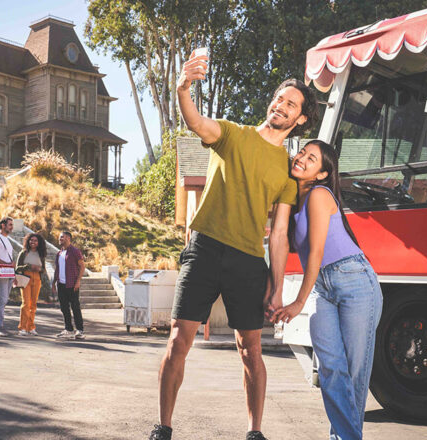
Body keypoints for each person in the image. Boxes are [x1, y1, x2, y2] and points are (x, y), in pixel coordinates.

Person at [148, 52, 318, 440]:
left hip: (246, 261)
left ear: (301, 119)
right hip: (204, 249)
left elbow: (278, 235)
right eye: (279, 99)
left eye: (291, 104)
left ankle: (254, 432)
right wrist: (182, 87)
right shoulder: (232, 134)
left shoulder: (287, 172)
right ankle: (163, 428)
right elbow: (195, 121)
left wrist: (276, 286)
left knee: (250, 351)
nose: (281, 106)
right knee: (178, 341)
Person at [271, 140, 383, 440]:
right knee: (332, 368)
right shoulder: (292, 198)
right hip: (323, 287)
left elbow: (317, 253)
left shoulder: (320, 194)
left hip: (355, 281)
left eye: (312, 158)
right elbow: (278, 238)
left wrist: (297, 302)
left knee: (355, 373)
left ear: (322, 174)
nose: (302, 159)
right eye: (302, 153)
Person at [52, 231, 85, 340]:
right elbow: (57, 270)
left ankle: (80, 331)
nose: (60, 239)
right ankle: (69, 330)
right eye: (59, 237)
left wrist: (78, 281)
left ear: (68, 239)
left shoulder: (75, 251)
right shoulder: (59, 253)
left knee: (75, 307)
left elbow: (82, 267)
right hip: (61, 285)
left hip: (72, 284)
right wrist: (53, 283)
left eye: (62, 237)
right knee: (64, 308)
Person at [15, 233, 47, 336]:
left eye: (35, 241)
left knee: (33, 304)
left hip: (37, 278)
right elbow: (17, 268)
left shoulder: (41, 254)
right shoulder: (23, 253)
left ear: (39, 243)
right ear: (28, 241)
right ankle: (22, 328)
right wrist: (28, 267)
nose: (33, 242)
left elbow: (44, 270)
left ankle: (31, 327)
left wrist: (39, 269)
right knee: (26, 303)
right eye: (31, 240)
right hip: (25, 278)